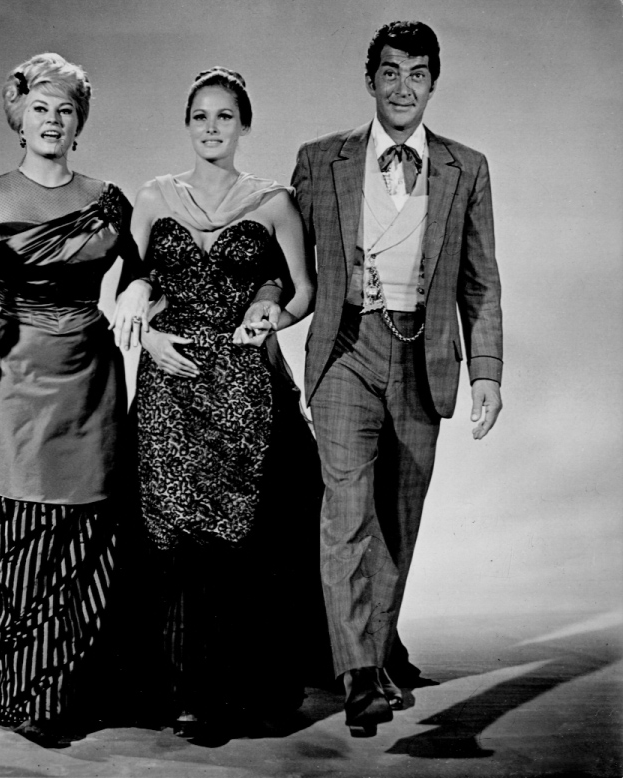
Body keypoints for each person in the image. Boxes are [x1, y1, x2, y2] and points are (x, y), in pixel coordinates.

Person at [0, 53, 141, 747]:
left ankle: (62, 689)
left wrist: (136, 290)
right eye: (40, 107)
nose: (52, 120)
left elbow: (138, 269)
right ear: (19, 117)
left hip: (90, 378)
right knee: (17, 525)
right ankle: (17, 685)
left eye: (65, 110)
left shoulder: (109, 198)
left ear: (79, 123)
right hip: (13, 378)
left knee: (84, 532)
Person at [290, 20, 503, 736]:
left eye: (417, 73)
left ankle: (376, 653)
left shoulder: (466, 167)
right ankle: (357, 676)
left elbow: (480, 282)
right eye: (390, 72)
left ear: (433, 83)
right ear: (370, 80)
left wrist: (487, 372)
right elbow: (286, 261)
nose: (403, 87)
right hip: (345, 350)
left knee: (399, 520)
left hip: (425, 355)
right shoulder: (321, 159)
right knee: (346, 511)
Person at [111, 67, 320, 737]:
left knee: (233, 534)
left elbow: (303, 289)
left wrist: (272, 315)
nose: (211, 127)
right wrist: (148, 339)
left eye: (224, 116)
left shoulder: (274, 201)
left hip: (239, 382)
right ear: (186, 124)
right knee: (166, 532)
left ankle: (224, 692)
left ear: (244, 125)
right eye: (200, 115)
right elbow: (128, 285)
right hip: (168, 382)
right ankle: (171, 688)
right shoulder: (153, 196)